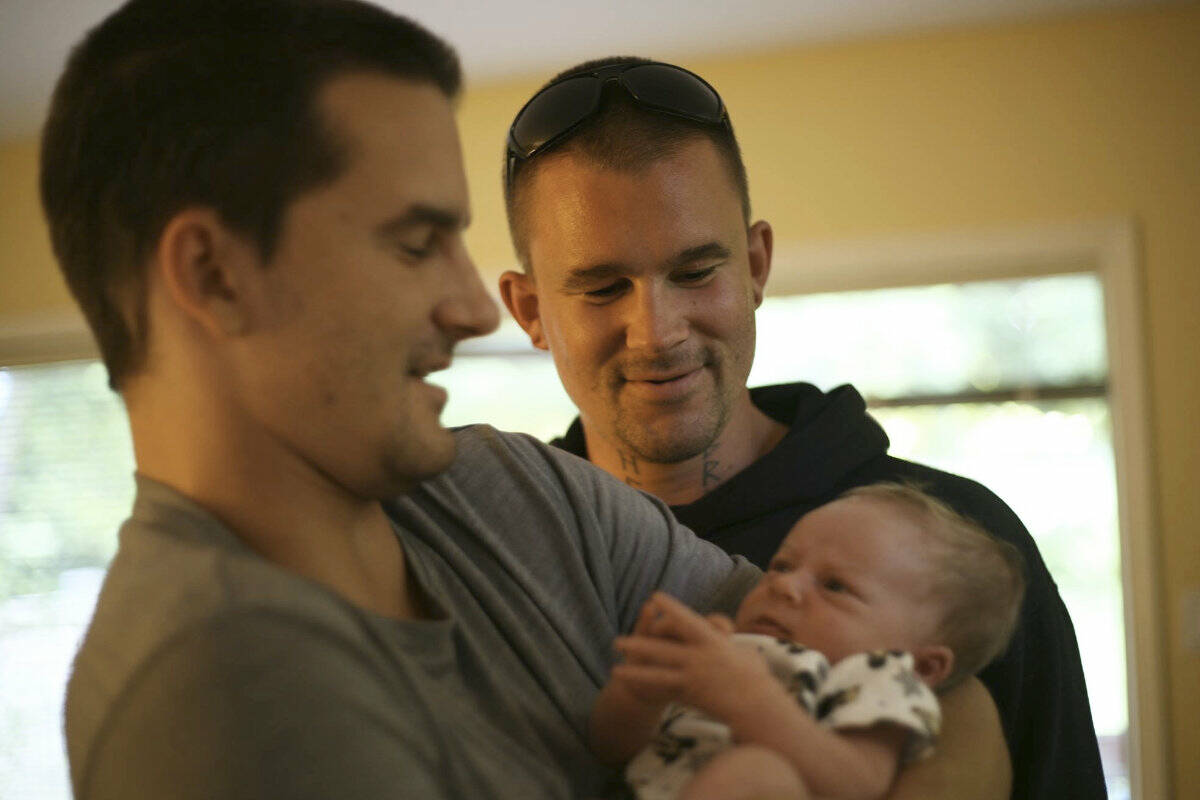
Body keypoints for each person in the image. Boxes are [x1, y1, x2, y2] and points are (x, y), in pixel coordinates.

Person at [41, 4, 760, 798]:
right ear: (216, 274)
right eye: (416, 245)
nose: (478, 308)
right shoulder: (221, 691)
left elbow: (875, 659)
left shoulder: (510, 487)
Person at [498, 57, 1106, 798]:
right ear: (529, 310)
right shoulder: (496, 559)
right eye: (601, 288)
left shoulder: (954, 550)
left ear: (755, 265)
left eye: (695, 274)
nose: (657, 333)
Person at [591, 483, 1026, 800]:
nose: (784, 586)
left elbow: (856, 785)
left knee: (760, 774)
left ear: (923, 666)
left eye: (835, 586)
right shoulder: (727, 654)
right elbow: (611, 750)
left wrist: (748, 699)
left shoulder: (880, 677)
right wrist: (639, 695)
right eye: (781, 565)